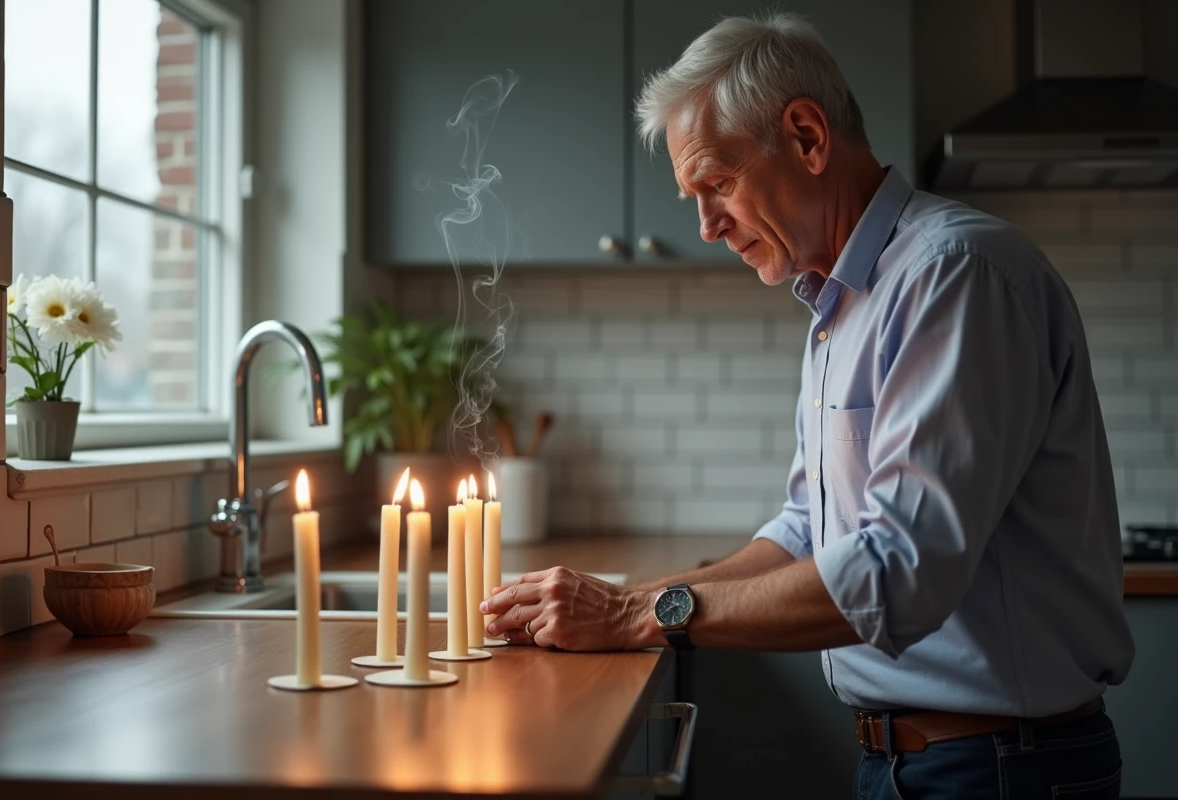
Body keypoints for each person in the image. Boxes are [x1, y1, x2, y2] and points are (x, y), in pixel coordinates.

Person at [479, 11, 1134, 800]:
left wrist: (636, 617)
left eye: (717, 183)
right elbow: (803, 534)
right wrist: (628, 602)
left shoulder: (954, 275)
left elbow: (896, 573)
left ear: (807, 136)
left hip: (999, 769)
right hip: (917, 761)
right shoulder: (839, 302)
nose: (706, 226)